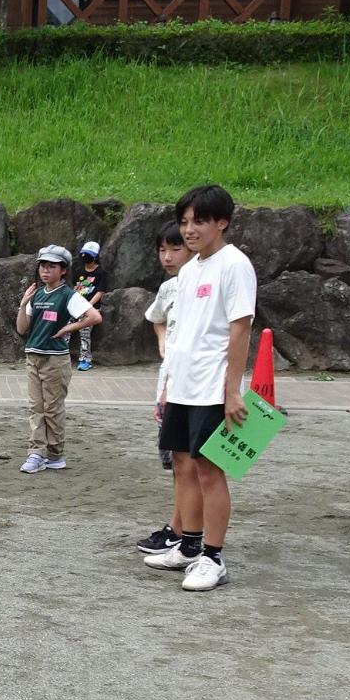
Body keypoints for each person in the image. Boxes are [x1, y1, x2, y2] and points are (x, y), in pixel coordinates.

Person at [144, 185, 256, 593]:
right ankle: (188, 546)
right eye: (185, 221)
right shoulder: (189, 270)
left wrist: (233, 391)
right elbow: (181, 331)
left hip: (213, 387)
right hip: (182, 386)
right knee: (183, 466)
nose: (189, 230)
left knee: (210, 471)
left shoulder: (234, 265)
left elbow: (240, 327)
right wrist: (169, 382)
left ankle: (213, 556)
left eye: (199, 221)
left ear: (222, 222)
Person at [15, 244, 97, 473]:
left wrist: (69, 327)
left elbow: (94, 316)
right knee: (35, 407)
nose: (45, 270)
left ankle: (54, 454)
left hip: (55, 360)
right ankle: (36, 453)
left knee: (52, 408)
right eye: (43, 265)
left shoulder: (68, 295)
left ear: (63, 270)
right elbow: (22, 329)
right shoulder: (37, 294)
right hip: (34, 355)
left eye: (52, 266)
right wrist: (23, 304)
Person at [138, 220, 194, 552]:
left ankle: (183, 531)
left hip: (190, 387)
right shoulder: (169, 288)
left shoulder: (203, 285)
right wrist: (163, 341)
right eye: (162, 250)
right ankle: (182, 528)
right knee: (177, 463)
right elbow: (155, 317)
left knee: (193, 466)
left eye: (176, 249)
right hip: (170, 383)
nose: (168, 257)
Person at [73, 240, 104, 370]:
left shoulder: (101, 272)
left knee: (84, 331)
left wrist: (88, 306)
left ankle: (85, 359)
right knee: (66, 327)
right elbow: (76, 288)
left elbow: (100, 292)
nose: (85, 257)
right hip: (77, 306)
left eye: (88, 255)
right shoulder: (79, 270)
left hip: (91, 308)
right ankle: (61, 354)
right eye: (84, 254)